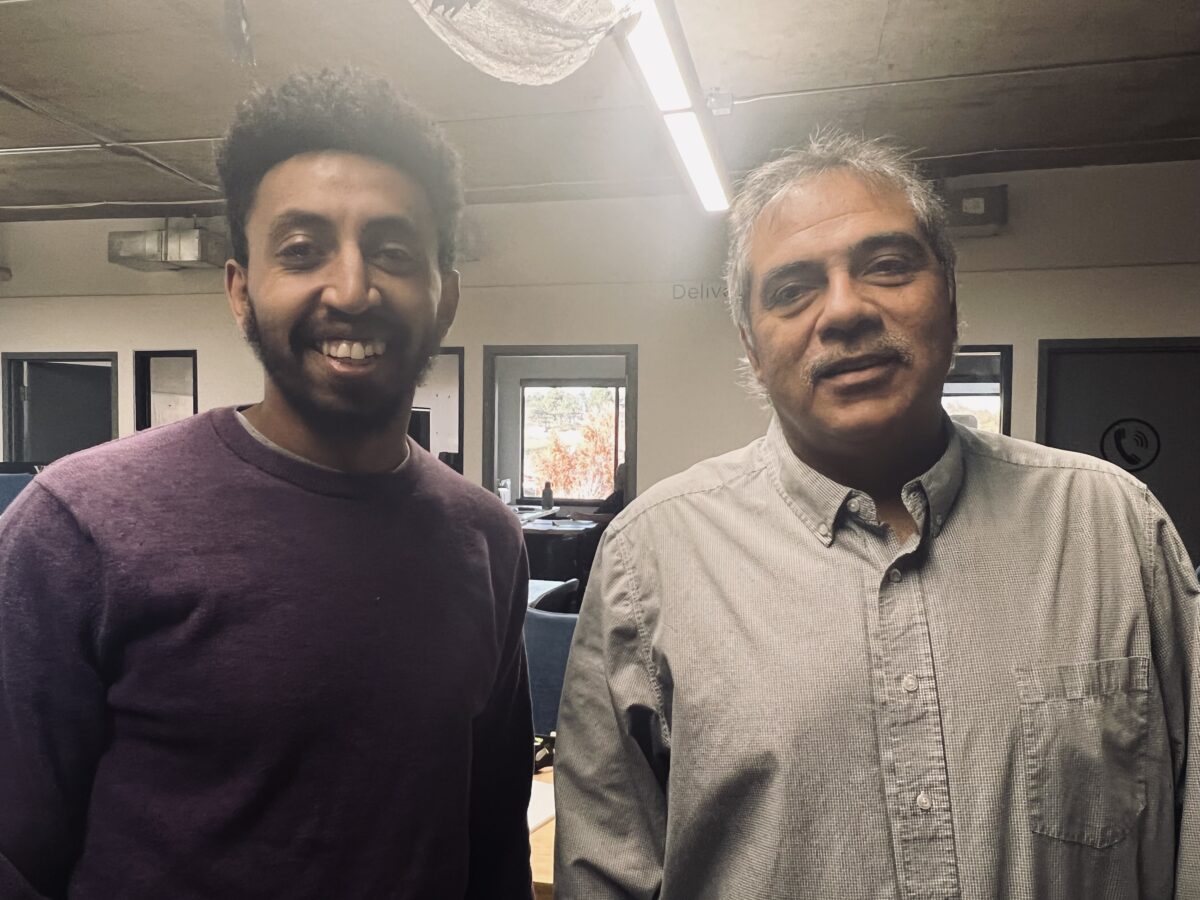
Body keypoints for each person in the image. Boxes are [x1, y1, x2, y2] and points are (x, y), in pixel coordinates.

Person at [553, 131, 1200, 898]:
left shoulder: (1113, 530)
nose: (846, 310)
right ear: (752, 348)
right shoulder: (650, 562)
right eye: (793, 289)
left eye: (888, 267)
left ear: (951, 298)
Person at [0, 70, 533, 899]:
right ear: (241, 290)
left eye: (392, 252)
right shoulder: (81, 528)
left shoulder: (485, 540)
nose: (351, 289)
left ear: (444, 295)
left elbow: (491, 843)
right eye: (302, 250)